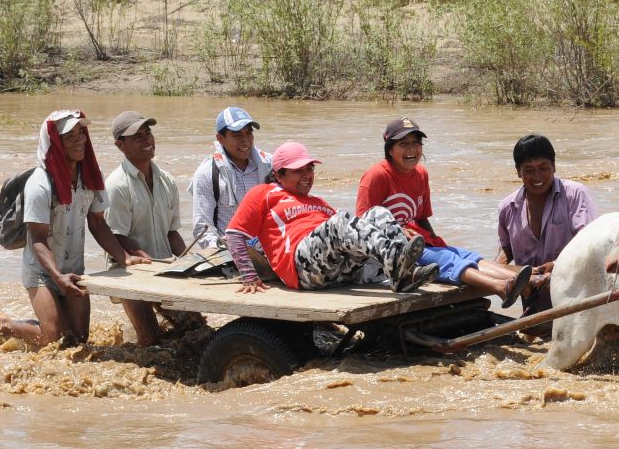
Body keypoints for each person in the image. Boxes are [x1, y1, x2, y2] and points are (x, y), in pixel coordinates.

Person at [0, 110, 149, 346]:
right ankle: (6, 327)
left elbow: (98, 224)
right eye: (70, 136)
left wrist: (125, 257)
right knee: (54, 338)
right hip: (42, 271)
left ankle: (39, 324)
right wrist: (57, 277)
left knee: (78, 340)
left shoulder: (90, 175)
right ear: (55, 142)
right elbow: (37, 239)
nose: (80, 140)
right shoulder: (40, 184)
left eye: (82, 133)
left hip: (74, 267)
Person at [355, 117, 533, 308]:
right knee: (446, 259)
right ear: (390, 149)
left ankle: (529, 282)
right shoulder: (377, 175)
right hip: (392, 253)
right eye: (403, 144)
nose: (412, 150)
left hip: (417, 242)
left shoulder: (421, 174)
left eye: (416, 143)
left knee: (466, 255)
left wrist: (436, 241)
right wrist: (399, 231)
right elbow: (362, 225)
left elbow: (422, 218)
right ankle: (501, 288)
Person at [226, 142, 433, 294]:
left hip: (337, 269)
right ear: (279, 175)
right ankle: (396, 262)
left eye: (310, 169)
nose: (307, 175)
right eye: (298, 171)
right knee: (339, 222)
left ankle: (402, 276)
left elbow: (350, 236)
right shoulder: (264, 193)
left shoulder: (319, 201)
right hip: (302, 269)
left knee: (378, 213)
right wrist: (248, 276)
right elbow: (234, 233)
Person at [104, 110, 189, 346]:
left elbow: (172, 232)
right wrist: (145, 259)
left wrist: (188, 260)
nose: (147, 140)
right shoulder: (116, 186)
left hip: (162, 268)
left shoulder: (167, 181)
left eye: (148, 133)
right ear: (120, 145)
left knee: (193, 327)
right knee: (150, 338)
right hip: (129, 273)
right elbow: (115, 236)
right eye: (137, 136)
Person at [495, 133, 597, 313]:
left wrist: (558, 265)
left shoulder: (575, 194)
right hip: (532, 299)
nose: (537, 176)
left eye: (543, 168)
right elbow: (506, 249)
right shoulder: (507, 207)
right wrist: (495, 270)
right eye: (529, 170)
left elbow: (588, 243)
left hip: (574, 295)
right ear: (518, 171)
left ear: (554, 166)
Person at [190, 105, 270, 248]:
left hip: (268, 249)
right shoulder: (207, 173)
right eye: (237, 135)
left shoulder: (269, 165)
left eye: (248, 133)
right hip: (229, 254)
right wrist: (223, 246)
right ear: (220, 138)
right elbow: (202, 230)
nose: (245, 141)